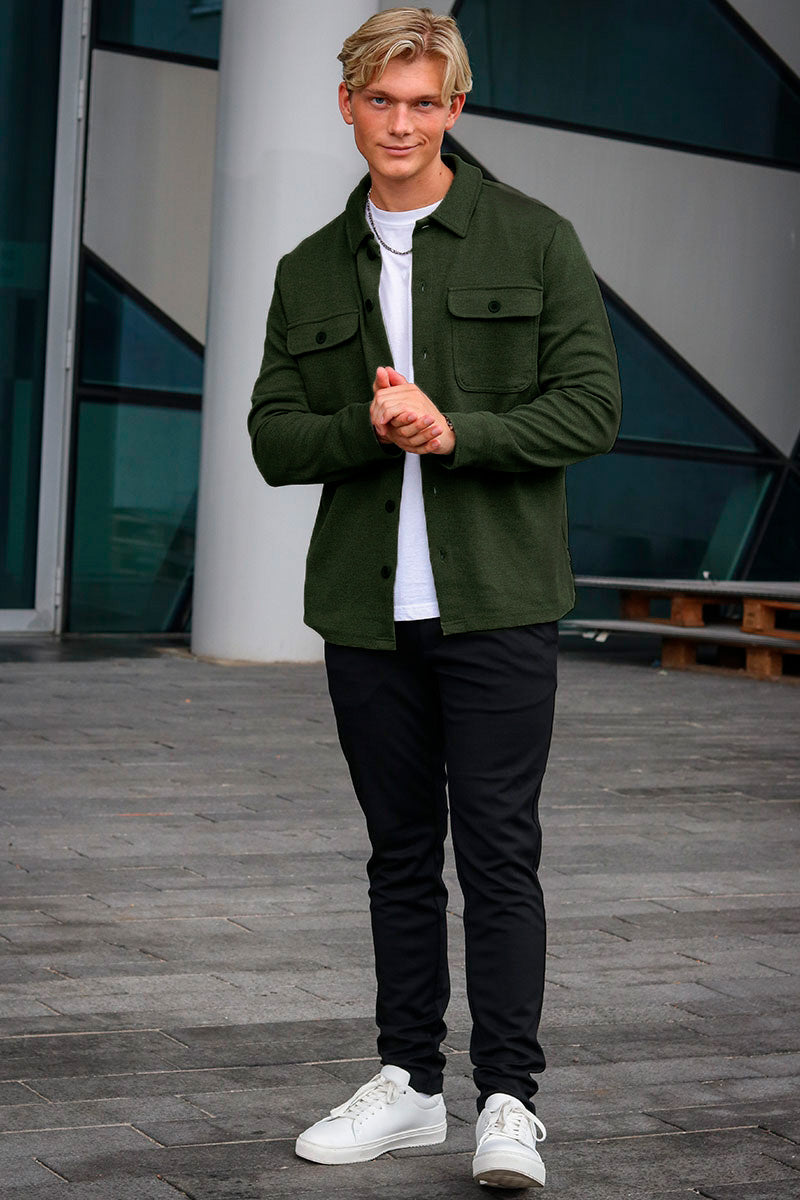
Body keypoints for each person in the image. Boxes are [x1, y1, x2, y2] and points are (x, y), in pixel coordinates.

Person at [248, 6, 621, 1190]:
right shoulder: (308, 267)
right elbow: (270, 436)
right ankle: (409, 1087)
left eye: (422, 102)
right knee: (398, 854)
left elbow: (590, 408)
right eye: (380, 100)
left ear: (454, 108)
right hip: (366, 613)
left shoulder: (534, 239)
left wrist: (455, 431)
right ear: (347, 105)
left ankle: (508, 1099)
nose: (400, 123)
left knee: (498, 851)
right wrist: (369, 431)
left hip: (498, 600)